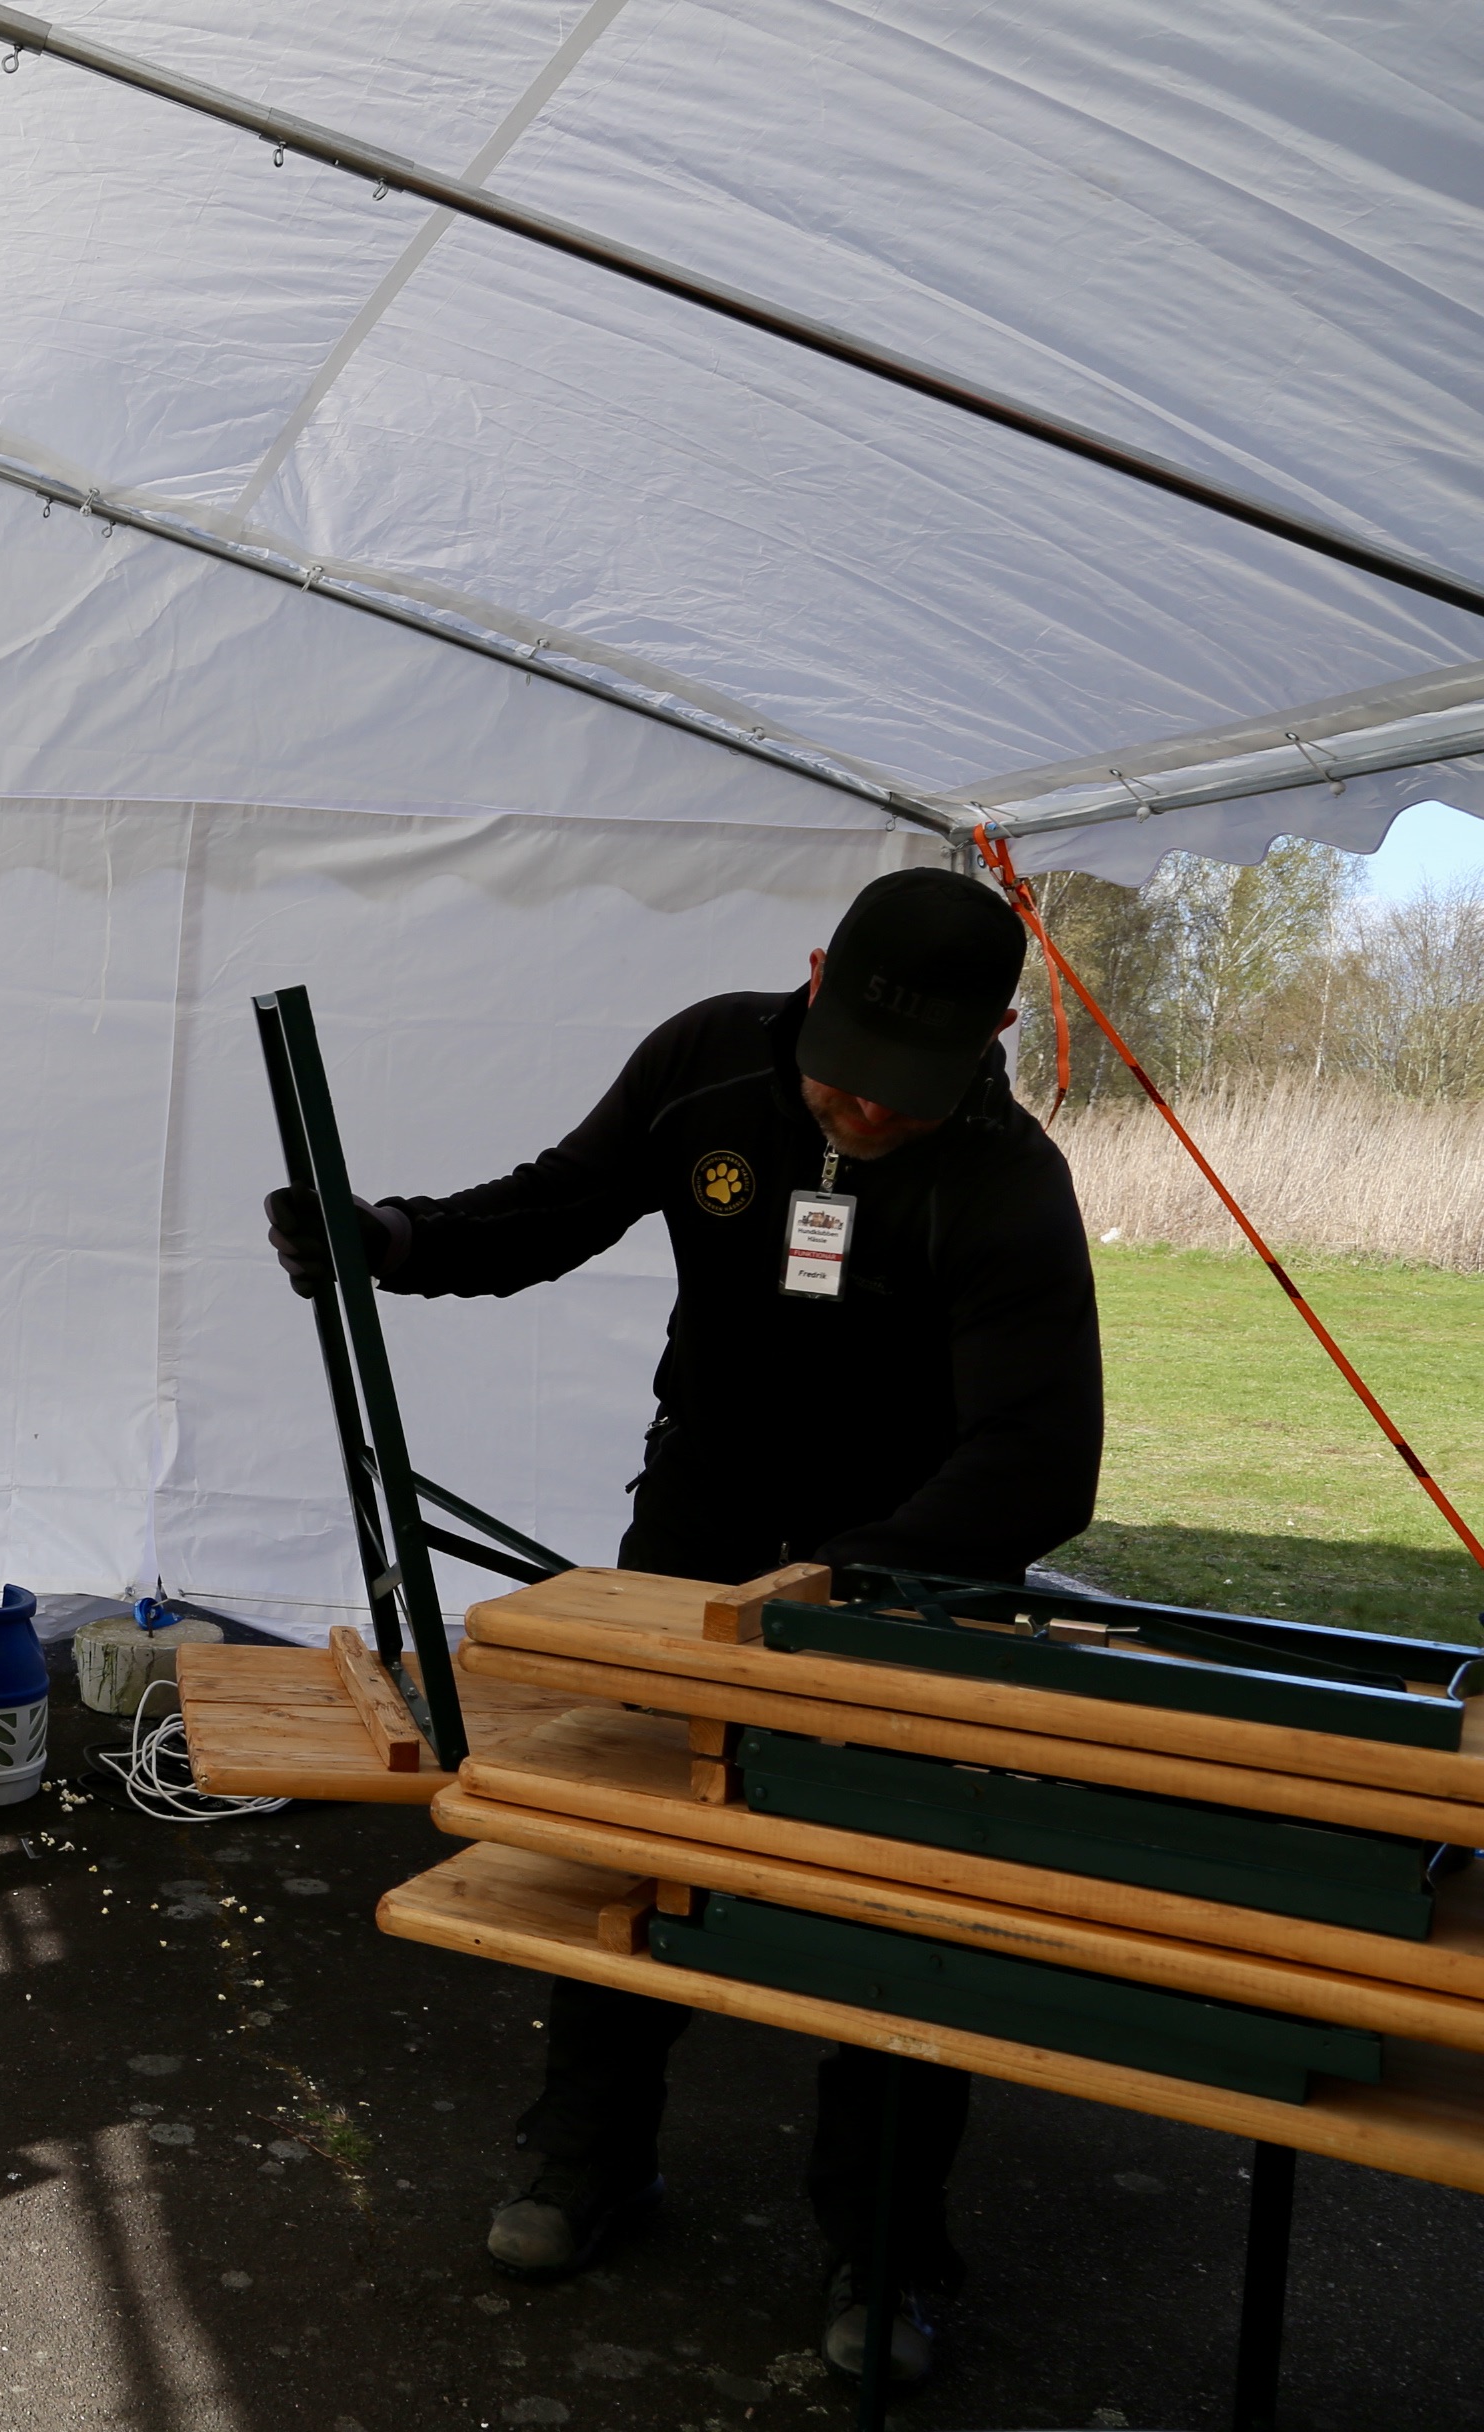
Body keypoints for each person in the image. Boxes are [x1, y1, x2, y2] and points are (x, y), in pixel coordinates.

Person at [269, 867, 1097, 2389]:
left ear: (991, 1040)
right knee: (624, 1841)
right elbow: (553, 1205)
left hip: (904, 1573)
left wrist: (842, 1581)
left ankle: (887, 2244)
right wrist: (389, 1235)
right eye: (846, 1074)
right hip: (699, 1523)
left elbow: (1041, 1460)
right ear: (812, 977)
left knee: (892, 1901)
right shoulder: (707, 1059)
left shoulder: (1006, 1183)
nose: (866, 1110)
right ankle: (587, 2157)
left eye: (906, 1090)